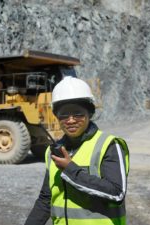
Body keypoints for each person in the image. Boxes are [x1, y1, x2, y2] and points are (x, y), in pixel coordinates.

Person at [24, 76, 130, 225]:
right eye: (64, 115)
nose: (71, 120)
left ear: (90, 113)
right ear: (57, 117)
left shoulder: (108, 145)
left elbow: (116, 193)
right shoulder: (53, 151)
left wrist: (70, 170)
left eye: (78, 113)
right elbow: (45, 199)